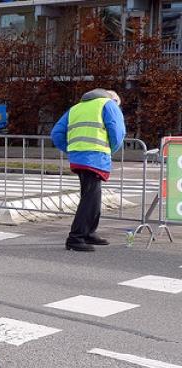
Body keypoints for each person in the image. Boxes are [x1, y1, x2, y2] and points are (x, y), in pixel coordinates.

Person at [51, 88, 126, 252]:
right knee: (90, 199)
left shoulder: (76, 108)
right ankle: (75, 237)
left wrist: (72, 149)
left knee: (92, 196)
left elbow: (56, 134)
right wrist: (110, 150)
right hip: (95, 157)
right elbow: (117, 132)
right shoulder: (108, 104)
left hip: (79, 158)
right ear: (115, 101)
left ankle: (89, 232)